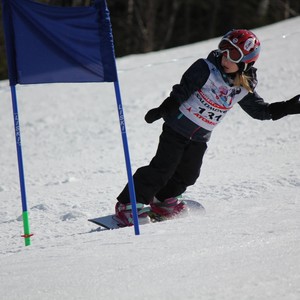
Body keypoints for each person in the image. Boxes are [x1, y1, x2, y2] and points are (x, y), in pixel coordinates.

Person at [115, 29, 300, 226]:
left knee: (188, 174)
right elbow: (182, 90)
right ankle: (128, 204)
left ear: (247, 61)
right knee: (162, 169)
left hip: (200, 138)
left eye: (234, 54)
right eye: (223, 50)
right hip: (177, 129)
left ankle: (162, 200)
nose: (226, 58)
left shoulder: (243, 87)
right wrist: (164, 108)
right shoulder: (206, 69)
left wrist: (287, 108)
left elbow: (261, 111)